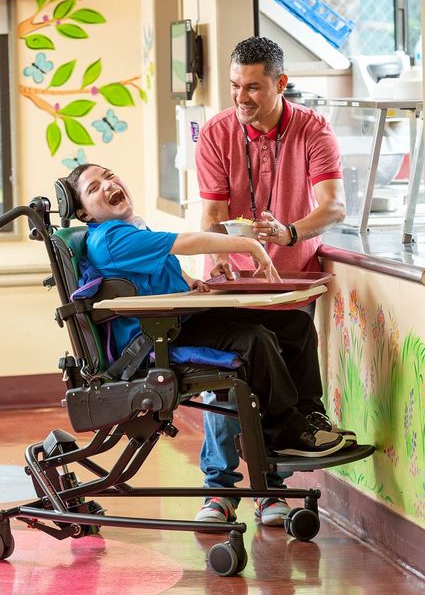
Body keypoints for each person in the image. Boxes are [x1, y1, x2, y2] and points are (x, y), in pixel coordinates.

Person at [65, 162, 346, 472]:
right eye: (93, 189)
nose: (107, 185)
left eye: (109, 175)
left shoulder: (130, 230)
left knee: (296, 325)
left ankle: (308, 415)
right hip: (155, 340)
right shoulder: (110, 239)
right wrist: (249, 245)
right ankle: (285, 433)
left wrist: (190, 282)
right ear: (85, 215)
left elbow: (155, 267)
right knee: (255, 341)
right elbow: (183, 243)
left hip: (177, 322)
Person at [194, 36, 353, 526]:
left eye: (254, 88)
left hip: (291, 281)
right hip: (231, 283)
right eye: (235, 86)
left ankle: (271, 488)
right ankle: (217, 492)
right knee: (226, 384)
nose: (241, 98)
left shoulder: (313, 130)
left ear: (282, 83)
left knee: (278, 382)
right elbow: (214, 213)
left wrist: (288, 231)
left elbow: (333, 206)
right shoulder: (218, 132)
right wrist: (215, 254)